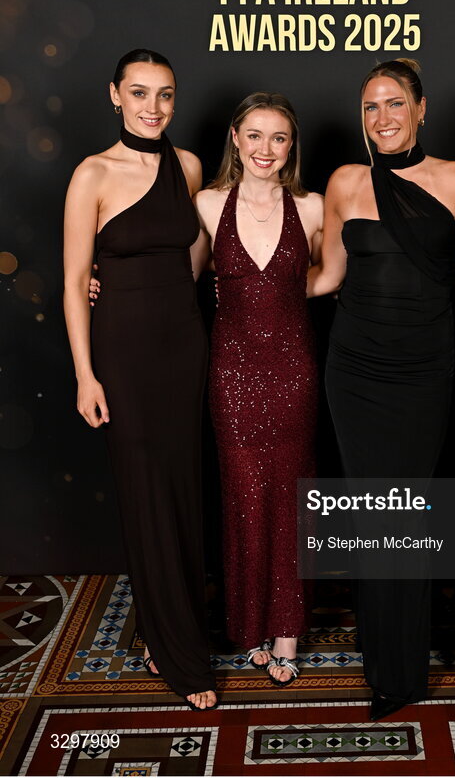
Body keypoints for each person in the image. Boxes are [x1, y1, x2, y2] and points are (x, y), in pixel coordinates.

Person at [308, 59, 455, 720]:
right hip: (353, 371)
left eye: (394, 103)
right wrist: (243, 295)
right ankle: (385, 668)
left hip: (423, 370)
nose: (381, 117)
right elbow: (324, 277)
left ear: (421, 108)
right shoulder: (345, 182)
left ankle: (403, 667)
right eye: (370, 106)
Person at [63, 48, 217, 711]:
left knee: (183, 492)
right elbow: (73, 283)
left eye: (164, 95)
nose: (152, 107)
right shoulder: (91, 174)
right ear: (114, 95)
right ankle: (178, 653)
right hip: (122, 356)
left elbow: (195, 257)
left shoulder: (187, 166)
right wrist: (84, 376)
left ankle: (166, 630)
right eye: (138, 93)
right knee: (145, 495)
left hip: (183, 347)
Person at [194, 93, 323, 687]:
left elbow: (338, 273)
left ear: (290, 146)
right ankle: (249, 626)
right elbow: (182, 276)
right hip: (232, 371)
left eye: (278, 138)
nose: (265, 149)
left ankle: (288, 630)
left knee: (291, 494)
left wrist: (279, 297)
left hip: (293, 369)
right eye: (255, 136)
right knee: (243, 495)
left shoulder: (314, 207)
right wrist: (100, 281)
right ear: (236, 138)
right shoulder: (206, 203)